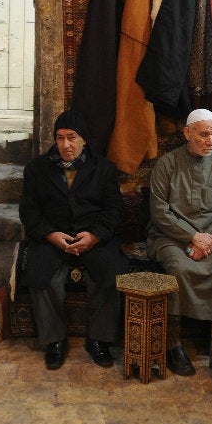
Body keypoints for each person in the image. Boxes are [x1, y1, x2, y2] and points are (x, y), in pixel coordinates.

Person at [19, 109, 128, 371]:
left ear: (84, 140)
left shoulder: (104, 169)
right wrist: (50, 234)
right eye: (60, 138)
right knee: (40, 274)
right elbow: (29, 211)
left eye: (72, 137)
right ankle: (55, 341)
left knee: (110, 272)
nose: (65, 144)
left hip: (92, 238)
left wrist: (94, 236)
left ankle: (99, 340)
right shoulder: (37, 170)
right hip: (52, 238)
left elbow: (114, 211)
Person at [147, 108, 212, 376]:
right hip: (171, 236)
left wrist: (206, 240)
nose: (210, 141)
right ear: (187, 133)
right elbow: (160, 212)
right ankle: (174, 345)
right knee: (179, 269)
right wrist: (191, 237)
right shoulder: (167, 164)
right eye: (203, 134)